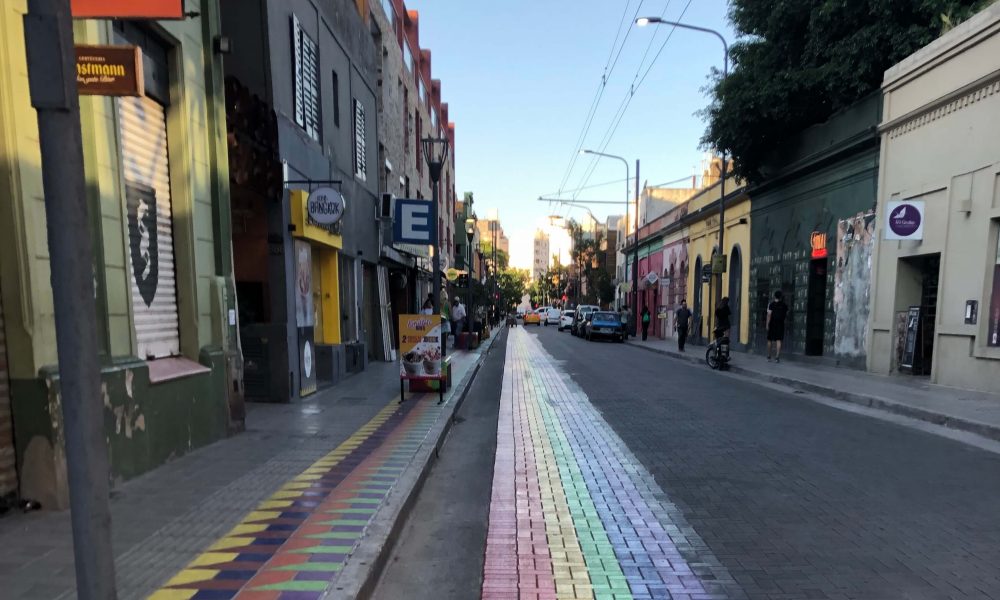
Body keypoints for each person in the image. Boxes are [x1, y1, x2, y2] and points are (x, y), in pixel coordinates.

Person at [766, 290, 788, 363]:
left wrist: (767, 324)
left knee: (770, 340)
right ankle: (777, 357)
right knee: (779, 340)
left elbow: (769, 315)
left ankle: (769, 356)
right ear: (781, 297)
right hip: (780, 324)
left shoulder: (771, 304)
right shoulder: (784, 305)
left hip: (772, 323)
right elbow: (786, 315)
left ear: (774, 296)